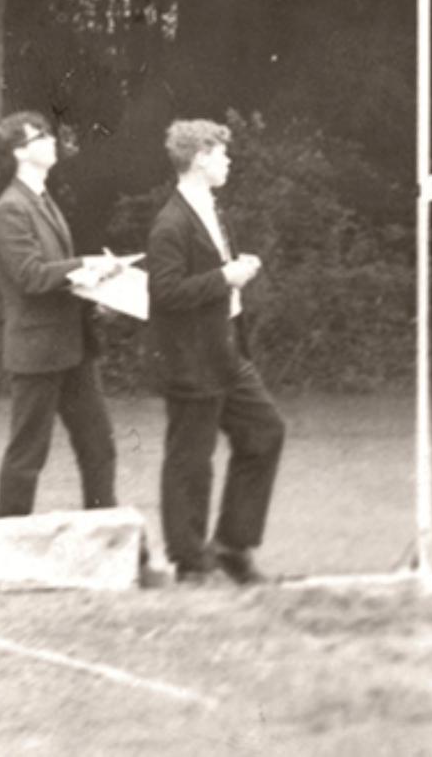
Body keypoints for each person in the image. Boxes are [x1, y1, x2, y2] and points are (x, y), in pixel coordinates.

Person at [146, 119, 285, 586]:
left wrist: (235, 270)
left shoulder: (212, 209)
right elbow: (164, 293)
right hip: (190, 359)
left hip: (226, 352)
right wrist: (225, 278)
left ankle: (231, 545)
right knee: (190, 458)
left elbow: (212, 273)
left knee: (265, 432)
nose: (228, 161)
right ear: (200, 157)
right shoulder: (171, 222)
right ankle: (189, 561)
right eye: (222, 154)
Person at [0, 111, 124, 518]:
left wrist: (96, 290)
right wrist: (86, 265)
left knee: (99, 447)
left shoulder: (43, 201)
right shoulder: (10, 209)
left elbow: (58, 276)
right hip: (38, 352)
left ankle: (104, 541)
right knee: (28, 455)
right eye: (40, 137)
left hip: (73, 348)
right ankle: (5, 549)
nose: (52, 141)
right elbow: (30, 276)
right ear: (18, 153)